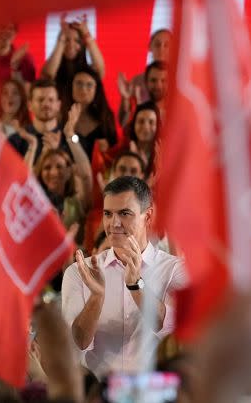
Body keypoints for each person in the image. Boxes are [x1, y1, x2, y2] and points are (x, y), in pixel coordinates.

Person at [61, 177, 187, 378]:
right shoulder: (79, 272)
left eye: (124, 213)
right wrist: (96, 298)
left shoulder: (176, 270)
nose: (114, 223)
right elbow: (77, 344)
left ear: (148, 217)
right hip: (98, 394)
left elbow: (170, 328)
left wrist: (136, 285)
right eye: (108, 214)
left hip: (152, 394)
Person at [34, 104, 93, 235]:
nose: (54, 172)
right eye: (47, 168)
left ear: (69, 171)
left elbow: (86, 176)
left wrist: (70, 135)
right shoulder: (35, 201)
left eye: (59, 167)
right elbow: (26, 179)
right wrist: (44, 151)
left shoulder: (77, 202)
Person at [41, 15, 106, 101]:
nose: (71, 45)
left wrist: (86, 34)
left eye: (77, 41)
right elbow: (48, 76)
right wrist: (61, 39)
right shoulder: (54, 70)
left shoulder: (87, 71)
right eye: (67, 40)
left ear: (83, 44)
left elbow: (100, 69)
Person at [61, 66, 118, 160]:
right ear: (71, 86)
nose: (83, 89)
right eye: (79, 83)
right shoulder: (60, 116)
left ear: (96, 90)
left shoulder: (105, 117)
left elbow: (115, 153)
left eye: (89, 85)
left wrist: (107, 152)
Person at [117, 29, 171, 126]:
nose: (161, 49)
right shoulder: (137, 81)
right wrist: (125, 98)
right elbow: (123, 122)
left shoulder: (181, 84)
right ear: (150, 47)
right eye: (157, 44)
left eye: (166, 45)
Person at [8, 78, 71, 160]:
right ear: (30, 105)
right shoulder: (16, 140)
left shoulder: (70, 138)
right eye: (40, 100)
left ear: (58, 105)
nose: (46, 104)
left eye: (51, 100)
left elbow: (83, 172)